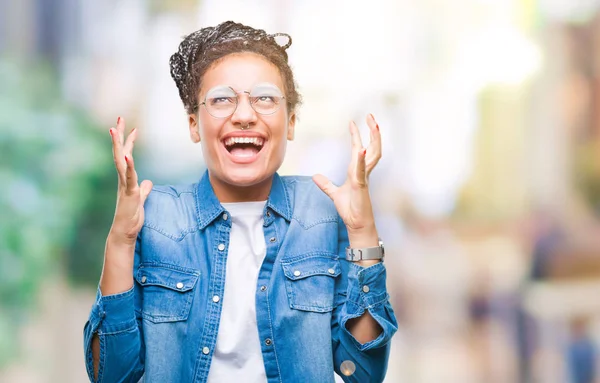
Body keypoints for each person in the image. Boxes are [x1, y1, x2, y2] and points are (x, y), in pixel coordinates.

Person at [83, 21, 398, 383]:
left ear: (291, 122)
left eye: (264, 98)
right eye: (221, 99)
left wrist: (363, 234)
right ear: (194, 124)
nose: (245, 115)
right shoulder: (156, 216)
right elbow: (111, 375)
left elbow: (363, 372)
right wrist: (119, 243)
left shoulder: (323, 212)